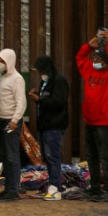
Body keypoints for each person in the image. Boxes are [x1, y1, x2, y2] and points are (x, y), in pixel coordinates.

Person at [75, 28, 108, 199]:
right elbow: (80, 58)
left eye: (98, 59)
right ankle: (95, 187)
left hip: (104, 122)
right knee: (91, 156)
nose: (94, 61)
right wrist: (89, 46)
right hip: (90, 120)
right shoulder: (89, 71)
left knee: (104, 157)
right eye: (94, 58)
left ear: (104, 62)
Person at [28, 55, 69, 201]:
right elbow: (47, 100)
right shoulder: (45, 82)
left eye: (40, 70)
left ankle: (55, 187)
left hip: (54, 125)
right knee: (47, 157)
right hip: (45, 125)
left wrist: (40, 99)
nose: (39, 74)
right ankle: (53, 184)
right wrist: (38, 97)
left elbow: (59, 102)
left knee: (53, 156)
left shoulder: (59, 81)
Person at [0, 48, 27, 201]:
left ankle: (13, 189)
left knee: (12, 155)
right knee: (5, 155)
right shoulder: (2, 77)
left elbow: (21, 102)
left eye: (2, 61)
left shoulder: (17, 79)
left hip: (10, 121)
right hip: (0, 119)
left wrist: (14, 120)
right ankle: (8, 187)